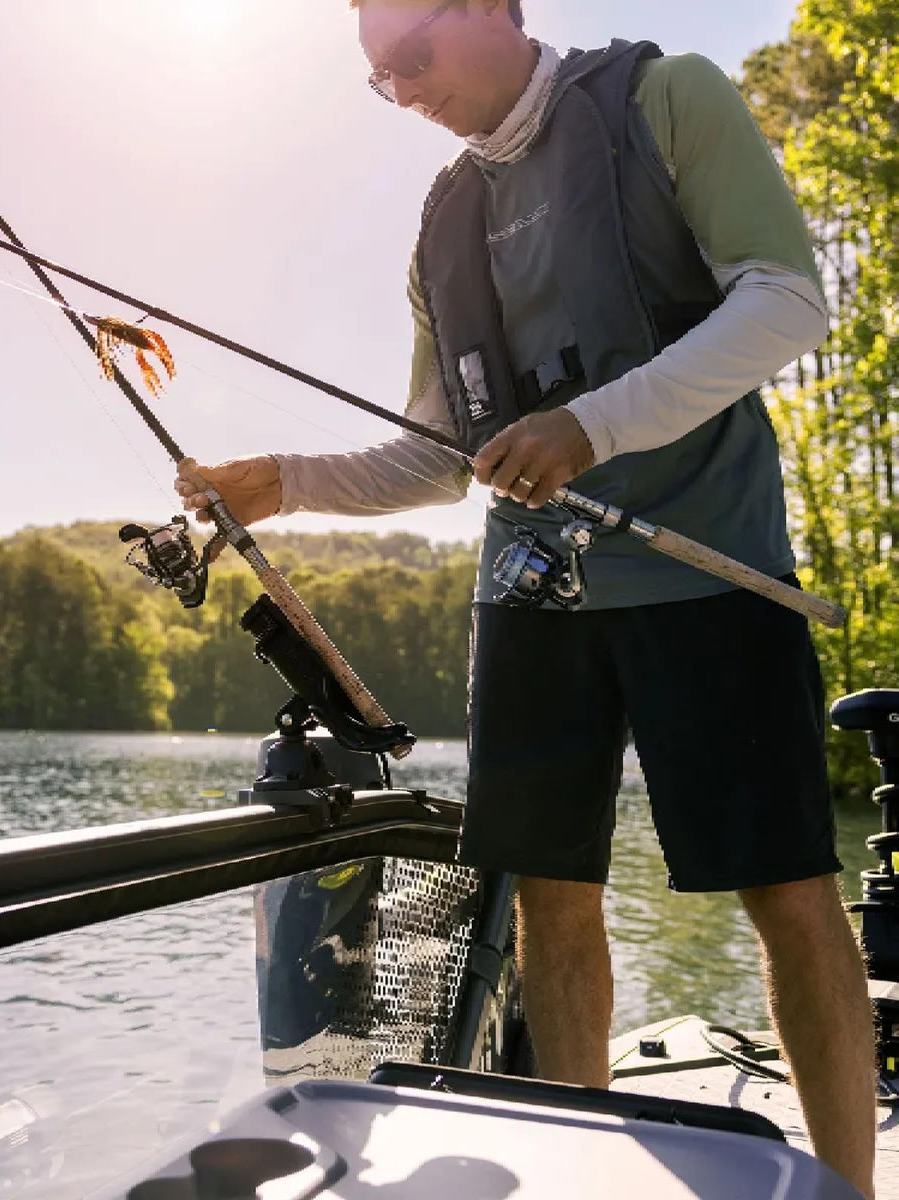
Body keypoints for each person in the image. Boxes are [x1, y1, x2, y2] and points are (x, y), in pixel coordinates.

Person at [175, 2, 876, 1193]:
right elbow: (439, 456)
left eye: (414, 55)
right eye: (377, 77)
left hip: (713, 571)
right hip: (529, 596)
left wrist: (590, 425)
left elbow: (788, 300)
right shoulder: (440, 223)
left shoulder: (668, 97)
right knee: (552, 900)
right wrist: (281, 482)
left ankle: (853, 1186)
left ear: (493, 8)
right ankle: (574, 1177)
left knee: (788, 890)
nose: (402, 89)